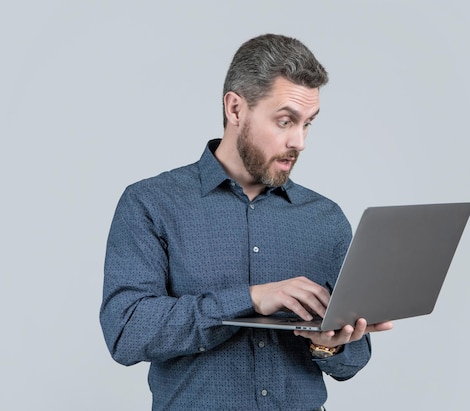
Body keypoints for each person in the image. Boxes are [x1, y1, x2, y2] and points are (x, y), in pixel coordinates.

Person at [100, 33, 393, 411]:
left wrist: (331, 344)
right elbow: (126, 332)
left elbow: (352, 361)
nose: (299, 141)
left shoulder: (326, 219)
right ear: (235, 109)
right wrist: (250, 298)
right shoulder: (151, 203)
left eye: (308, 124)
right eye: (285, 121)